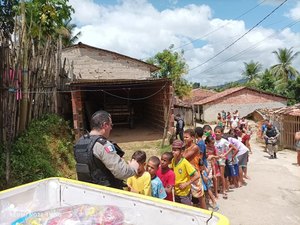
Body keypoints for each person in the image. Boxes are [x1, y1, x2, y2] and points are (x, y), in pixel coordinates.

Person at [74, 110, 139, 189]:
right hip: (105, 193)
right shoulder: (103, 145)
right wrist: (133, 168)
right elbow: (121, 172)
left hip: (86, 190)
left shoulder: (80, 143)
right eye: (111, 125)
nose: (111, 128)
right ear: (105, 125)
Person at [171, 140, 200, 206]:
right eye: (172, 149)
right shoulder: (173, 160)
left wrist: (186, 184)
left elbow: (197, 175)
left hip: (184, 193)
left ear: (182, 152)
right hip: (176, 192)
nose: (173, 152)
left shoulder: (185, 163)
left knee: (187, 209)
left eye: (175, 150)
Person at [183, 129, 206, 209]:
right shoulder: (186, 147)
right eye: (184, 137)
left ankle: (205, 212)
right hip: (187, 172)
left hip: (194, 173)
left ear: (192, 137)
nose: (185, 139)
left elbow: (184, 157)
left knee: (199, 194)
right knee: (188, 194)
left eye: (186, 137)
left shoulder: (195, 147)